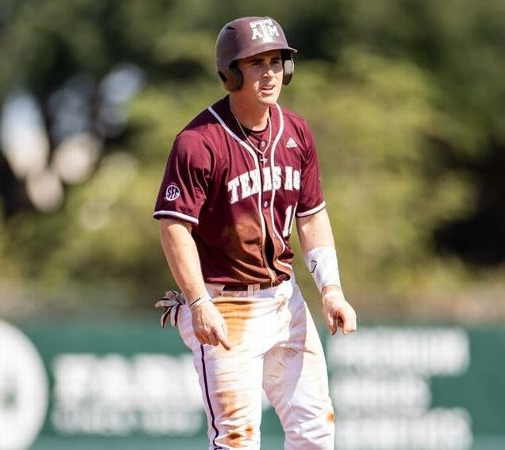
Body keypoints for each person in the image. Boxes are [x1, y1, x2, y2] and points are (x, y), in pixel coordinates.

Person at [153, 16, 357, 450]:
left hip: (285, 298)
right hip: (224, 303)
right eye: (256, 62)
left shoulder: (296, 131)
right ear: (230, 73)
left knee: (317, 433)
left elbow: (311, 215)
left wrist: (332, 289)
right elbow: (174, 227)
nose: (269, 73)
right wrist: (198, 301)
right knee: (237, 441)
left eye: (276, 61)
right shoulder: (199, 141)